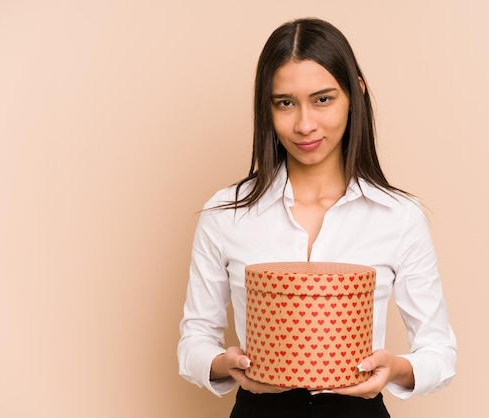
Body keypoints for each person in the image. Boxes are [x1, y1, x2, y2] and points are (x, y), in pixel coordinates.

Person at [178, 17, 456, 418]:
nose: (304, 124)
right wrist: (229, 365)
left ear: (355, 95)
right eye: (285, 103)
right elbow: (193, 343)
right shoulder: (226, 215)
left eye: (323, 99)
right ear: (267, 108)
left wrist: (395, 369)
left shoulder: (399, 217)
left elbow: (439, 351)